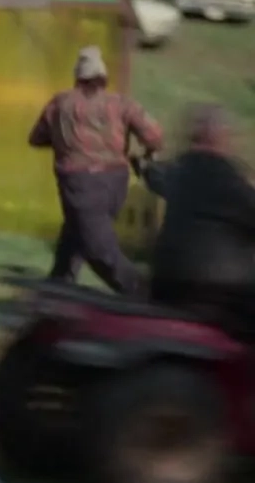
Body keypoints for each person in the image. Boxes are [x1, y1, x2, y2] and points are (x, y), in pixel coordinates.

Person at [27, 46, 164, 295]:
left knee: (97, 248)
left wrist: (63, 140)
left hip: (80, 183)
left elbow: (36, 138)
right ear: (103, 77)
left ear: (77, 76)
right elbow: (154, 136)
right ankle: (59, 283)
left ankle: (141, 292)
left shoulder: (60, 104)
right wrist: (145, 155)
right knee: (77, 230)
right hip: (116, 183)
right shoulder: (122, 103)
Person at [144, 104, 255, 334]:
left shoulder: (178, 172)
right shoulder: (228, 180)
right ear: (222, 138)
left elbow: (155, 175)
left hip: (164, 283)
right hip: (218, 292)